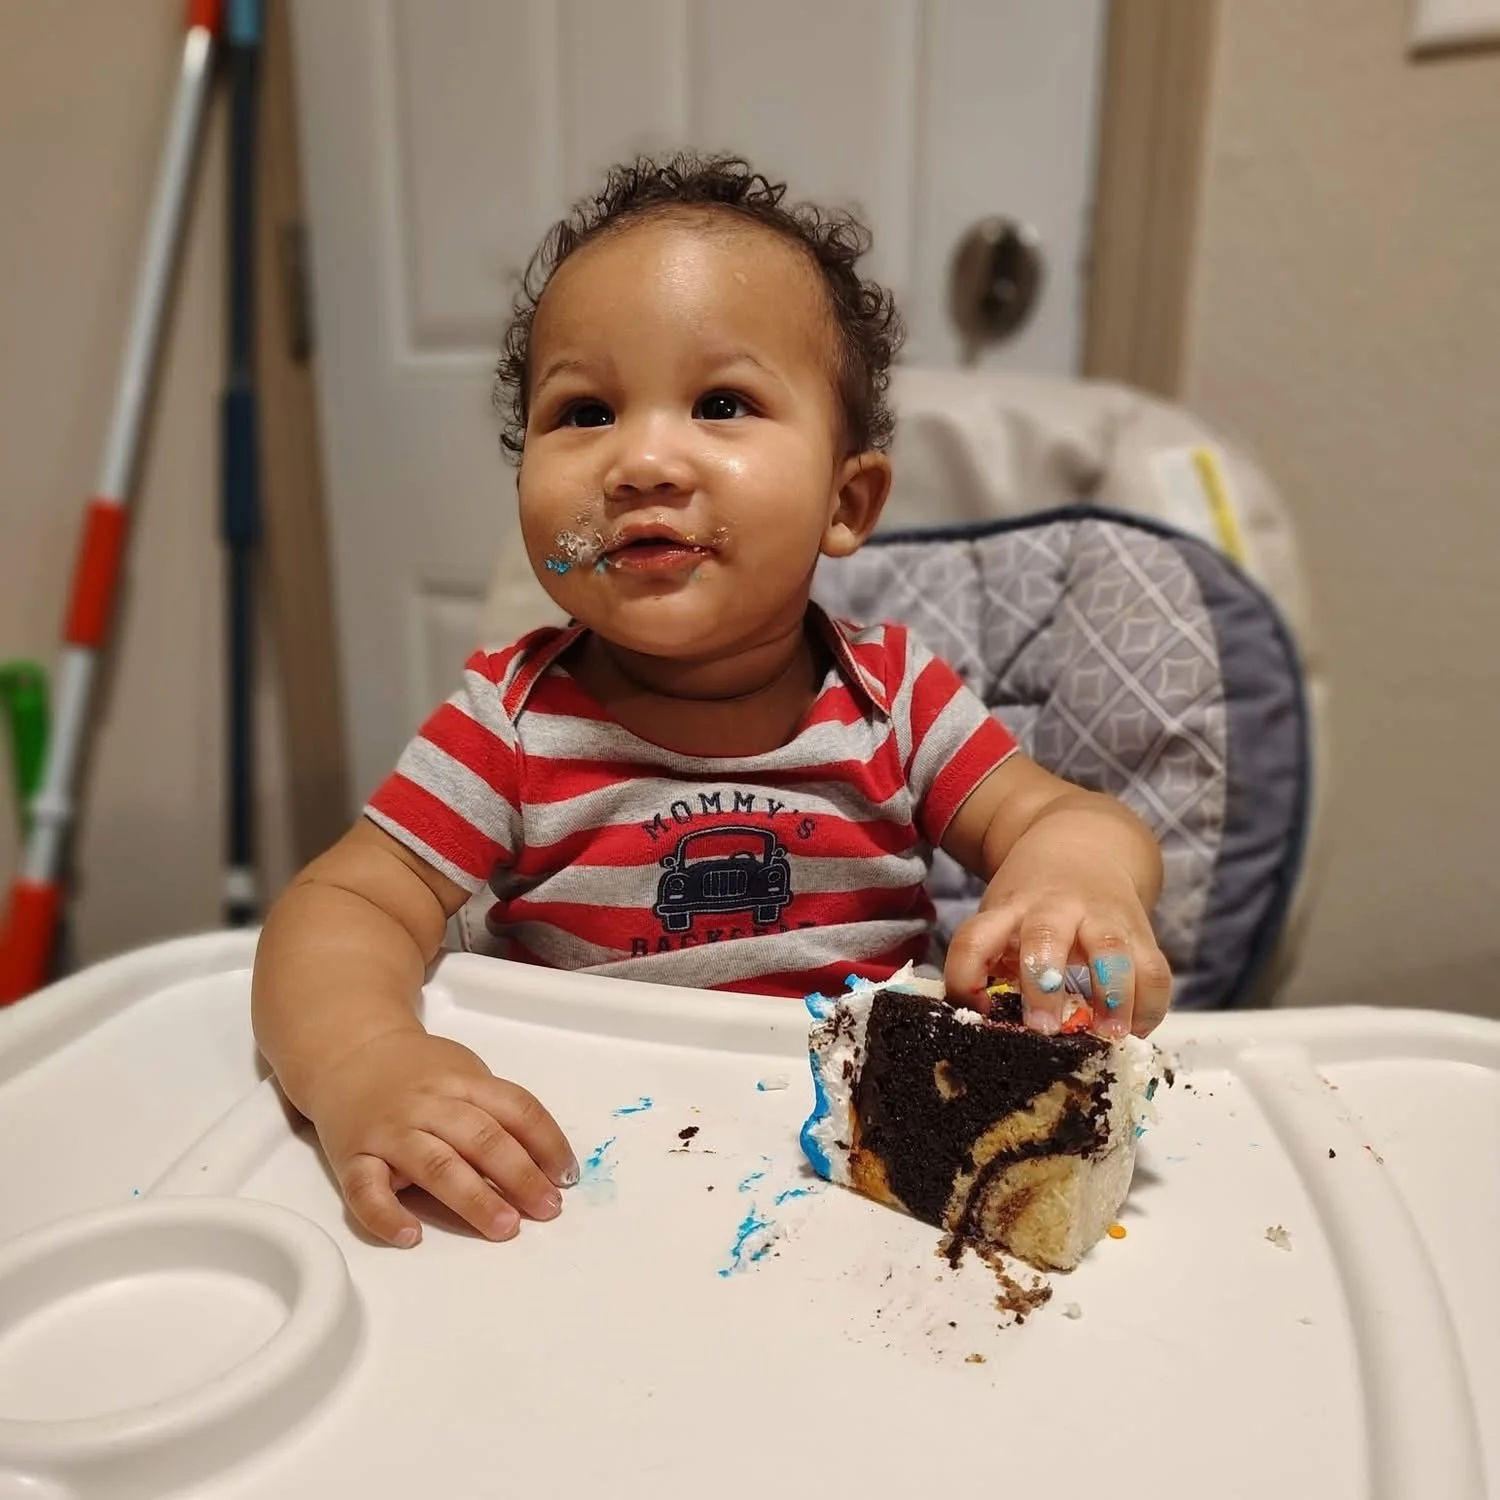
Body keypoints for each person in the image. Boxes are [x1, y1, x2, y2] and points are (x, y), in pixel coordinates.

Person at [251, 153, 1171, 1252]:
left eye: (721, 403)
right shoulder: (509, 724)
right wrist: (362, 1061)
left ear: (847, 499)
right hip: (582, 1198)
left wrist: (1073, 875)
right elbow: (344, 907)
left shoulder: (895, 704)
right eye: (584, 411)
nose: (641, 462)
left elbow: (1068, 816)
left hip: (870, 1200)